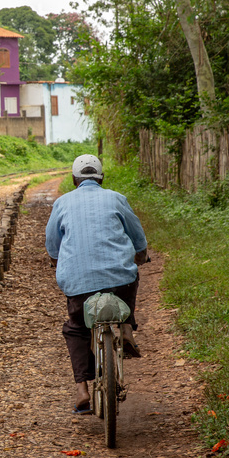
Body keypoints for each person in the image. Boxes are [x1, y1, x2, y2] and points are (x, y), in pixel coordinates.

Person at [45, 154, 148, 414]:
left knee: (77, 328)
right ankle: (126, 326)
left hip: (79, 285)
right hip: (119, 281)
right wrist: (141, 254)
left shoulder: (62, 202)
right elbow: (136, 234)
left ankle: (81, 390)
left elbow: (52, 244)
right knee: (131, 275)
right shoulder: (116, 198)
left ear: (73, 180)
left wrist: (56, 260)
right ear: (102, 178)